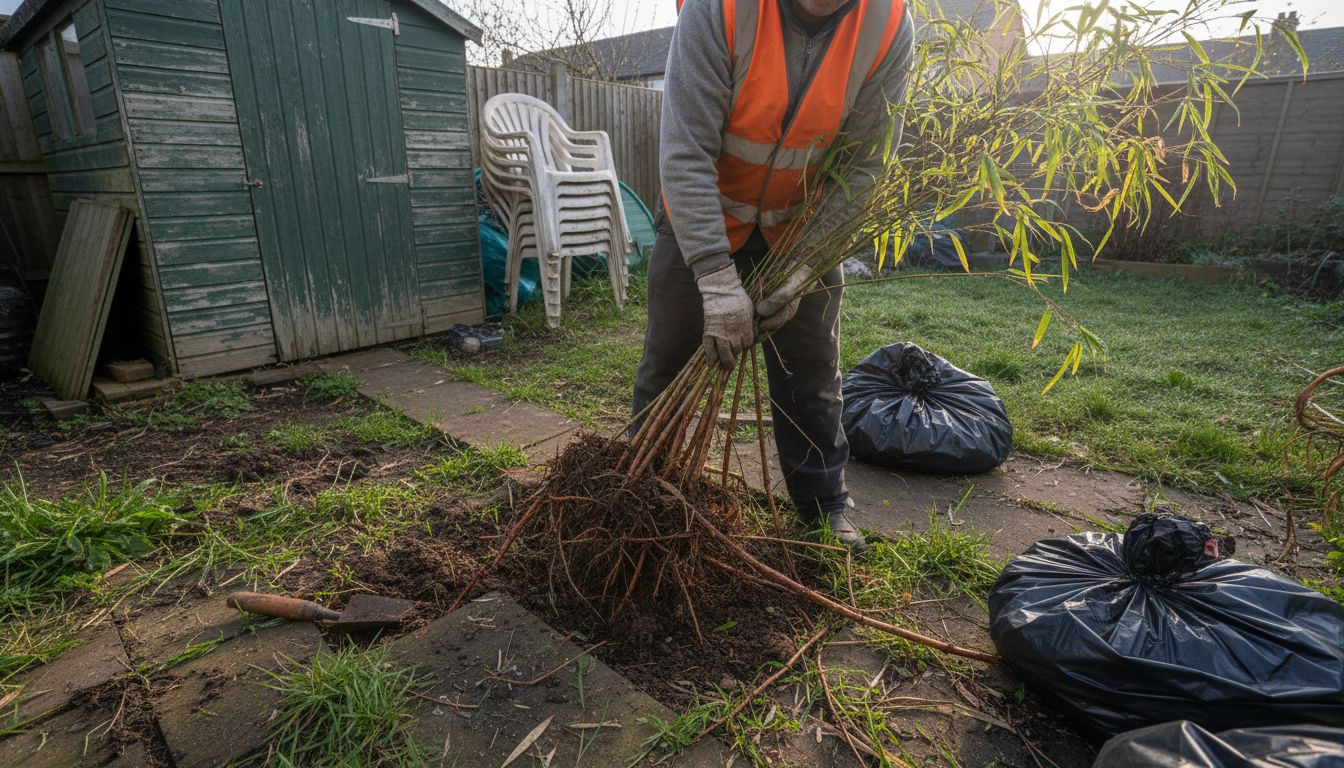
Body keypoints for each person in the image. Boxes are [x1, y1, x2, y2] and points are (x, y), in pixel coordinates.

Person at [632, 0, 913, 551]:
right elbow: (685, 151)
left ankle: (823, 503)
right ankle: (644, 490)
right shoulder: (720, 9)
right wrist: (714, 279)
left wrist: (806, 269)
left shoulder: (887, 23)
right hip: (704, 218)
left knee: (811, 372)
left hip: (800, 229)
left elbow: (865, 166)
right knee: (668, 361)